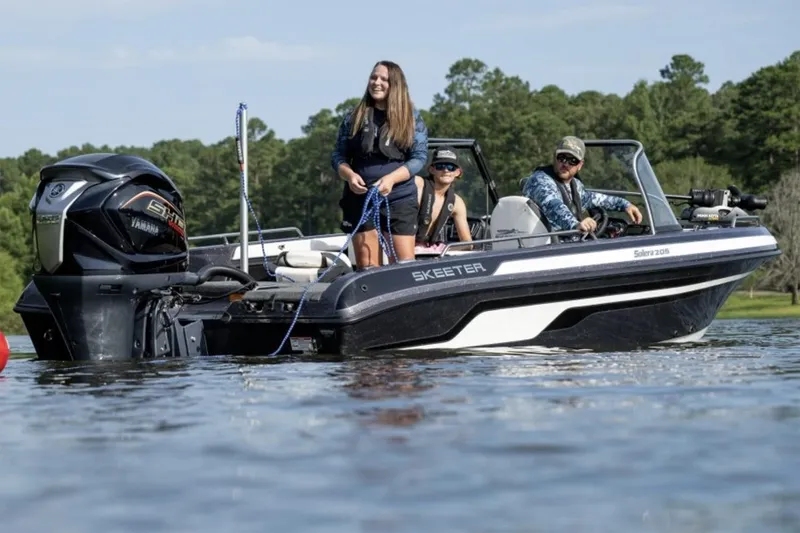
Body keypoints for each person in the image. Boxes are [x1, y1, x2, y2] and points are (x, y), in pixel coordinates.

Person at [330, 60, 428, 269]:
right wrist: (348, 175)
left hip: (399, 198)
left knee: (403, 267)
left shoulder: (411, 117)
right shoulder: (354, 116)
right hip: (360, 199)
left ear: (395, 84)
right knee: (368, 269)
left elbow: (419, 158)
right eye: (373, 77)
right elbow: (338, 155)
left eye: (384, 79)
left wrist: (391, 179)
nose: (377, 82)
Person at [522, 136, 643, 238]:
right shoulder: (540, 180)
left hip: (566, 244)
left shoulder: (574, 184)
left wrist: (624, 204)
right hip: (547, 247)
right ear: (555, 158)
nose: (565, 164)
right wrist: (576, 225)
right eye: (562, 157)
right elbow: (553, 205)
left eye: (572, 160)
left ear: (580, 165)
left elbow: (591, 198)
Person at [413, 146, 472, 254]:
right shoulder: (417, 184)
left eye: (451, 167)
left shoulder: (457, 202)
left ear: (458, 172)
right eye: (440, 166)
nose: (445, 170)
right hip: (402, 244)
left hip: (431, 251)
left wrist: (441, 251)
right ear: (431, 169)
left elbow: (467, 244)